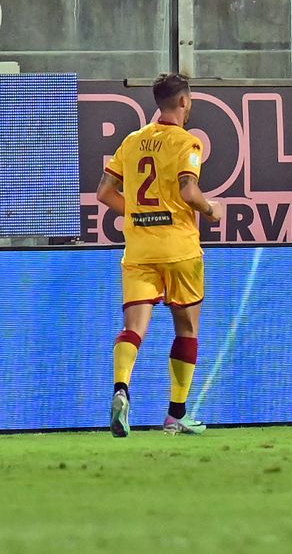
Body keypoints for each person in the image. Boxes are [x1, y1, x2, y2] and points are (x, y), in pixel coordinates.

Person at [99, 72, 224, 437]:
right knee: (186, 328)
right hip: (179, 248)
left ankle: (121, 388)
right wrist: (211, 210)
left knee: (133, 329)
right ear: (184, 101)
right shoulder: (188, 142)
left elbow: (104, 193)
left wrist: (137, 213)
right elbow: (188, 189)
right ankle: (176, 414)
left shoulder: (132, 141)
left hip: (139, 249)